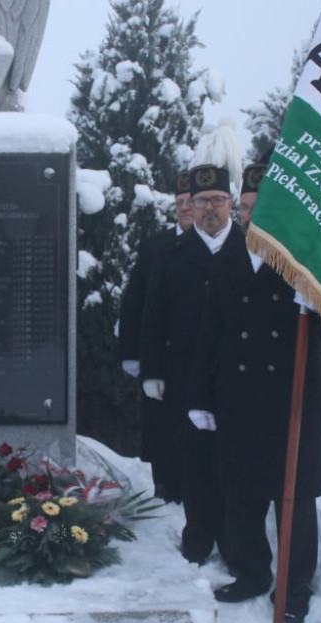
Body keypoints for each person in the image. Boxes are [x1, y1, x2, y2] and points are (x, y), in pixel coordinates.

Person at [188, 161, 321, 623]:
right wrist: (200, 397)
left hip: (290, 399)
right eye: (245, 207)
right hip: (237, 396)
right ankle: (252, 572)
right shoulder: (229, 254)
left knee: (295, 497)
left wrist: (319, 307)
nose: (249, 215)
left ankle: (295, 582)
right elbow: (209, 332)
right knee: (241, 492)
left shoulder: (303, 260)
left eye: (258, 206)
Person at [140, 163, 244, 565]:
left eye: (217, 200)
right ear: (191, 207)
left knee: (232, 463)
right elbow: (154, 314)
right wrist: (151, 371)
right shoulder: (174, 254)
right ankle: (198, 536)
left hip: (236, 377)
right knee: (196, 461)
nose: (209, 210)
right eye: (201, 202)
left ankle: (236, 541)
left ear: (231, 204)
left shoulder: (249, 251)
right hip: (185, 377)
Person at [116, 171, 197, 503]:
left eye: (190, 202)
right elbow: (135, 300)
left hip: (196, 355)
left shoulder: (221, 244)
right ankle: (165, 487)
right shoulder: (155, 246)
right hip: (160, 354)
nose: (184, 208)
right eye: (178, 203)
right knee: (162, 427)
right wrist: (131, 353)